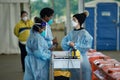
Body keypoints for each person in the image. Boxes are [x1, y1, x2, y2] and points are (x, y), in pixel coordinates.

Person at [61, 11, 93, 80]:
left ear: (79, 21)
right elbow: (63, 43)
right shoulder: (71, 33)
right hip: (72, 59)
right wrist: (68, 44)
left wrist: (75, 45)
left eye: (74, 20)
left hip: (82, 60)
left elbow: (87, 46)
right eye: (72, 20)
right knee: (73, 76)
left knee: (83, 76)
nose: (72, 21)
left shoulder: (85, 34)